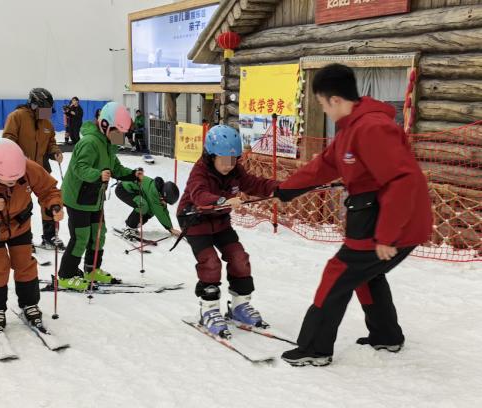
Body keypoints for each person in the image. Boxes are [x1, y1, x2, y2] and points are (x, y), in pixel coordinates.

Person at [274, 63, 433, 367]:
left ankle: (315, 348)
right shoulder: (350, 130)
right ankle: (386, 336)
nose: (323, 110)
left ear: (334, 99)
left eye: (321, 104)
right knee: (364, 275)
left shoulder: (373, 128)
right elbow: (324, 166)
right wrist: (286, 190)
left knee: (338, 273)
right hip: (374, 217)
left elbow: (403, 180)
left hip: (389, 222)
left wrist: (387, 236)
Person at [176, 125, 279, 338]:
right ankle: (210, 310)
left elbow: (253, 183)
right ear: (211, 155)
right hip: (195, 221)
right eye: (223, 160)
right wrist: (223, 200)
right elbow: (200, 196)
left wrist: (278, 188)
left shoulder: (234, 170)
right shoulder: (200, 171)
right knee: (210, 262)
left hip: (220, 221)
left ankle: (239, 306)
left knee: (239, 258)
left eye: (233, 160)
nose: (229, 165)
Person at [0, 138, 63, 332]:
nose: (13, 183)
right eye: (8, 181)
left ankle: (29, 303)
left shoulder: (27, 167)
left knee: (24, 263)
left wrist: (54, 206)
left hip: (19, 224)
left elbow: (48, 190)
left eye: (16, 179)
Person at [57, 102, 144, 290]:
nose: (120, 138)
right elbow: (79, 168)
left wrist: (132, 175)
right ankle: (66, 275)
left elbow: (116, 168)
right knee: (81, 237)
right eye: (117, 132)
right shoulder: (89, 142)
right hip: (78, 197)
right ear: (105, 125)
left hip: (95, 198)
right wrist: (97, 175)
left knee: (98, 234)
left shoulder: (108, 144)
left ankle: (91, 269)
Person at [3, 87, 65, 250]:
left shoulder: (47, 124)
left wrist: (56, 152)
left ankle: (50, 236)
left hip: (41, 169)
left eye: (49, 110)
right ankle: (24, 239)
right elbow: (8, 140)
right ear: (34, 105)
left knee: (49, 201)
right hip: (20, 170)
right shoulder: (16, 117)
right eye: (44, 109)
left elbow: (51, 142)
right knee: (22, 205)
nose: (47, 113)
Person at [115, 175, 180, 239]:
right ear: (163, 195)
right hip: (123, 189)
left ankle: (135, 224)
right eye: (166, 201)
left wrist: (171, 228)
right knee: (143, 205)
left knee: (150, 209)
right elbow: (160, 213)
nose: (165, 203)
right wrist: (170, 229)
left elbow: (163, 210)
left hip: (132, 191)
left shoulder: (158, 189)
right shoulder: (154, 192)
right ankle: (129, 228)